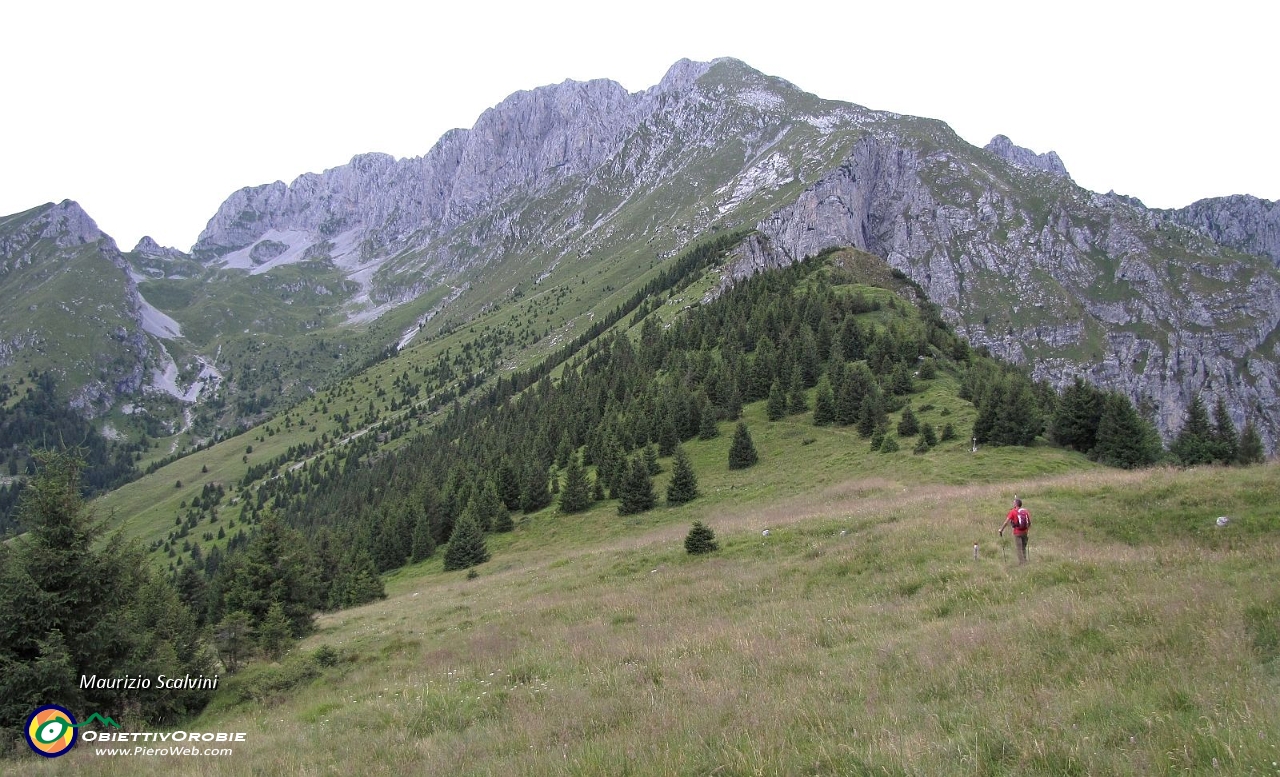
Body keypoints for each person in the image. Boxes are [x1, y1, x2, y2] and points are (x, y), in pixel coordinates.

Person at [999, 497, 1030, 564]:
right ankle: (1025, 560)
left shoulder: (1013, 512)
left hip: (1017, 532)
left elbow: (1006, 522)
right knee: (1023, 547)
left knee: (1019, 548)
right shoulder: (1025, 511)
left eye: (1014, 502)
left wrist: (1001, 529)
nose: (1013, 503)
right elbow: (1029, 522)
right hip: (1025, 532)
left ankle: (1022, 563)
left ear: (1016, 504)